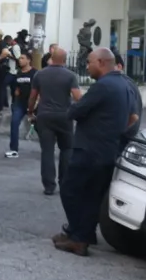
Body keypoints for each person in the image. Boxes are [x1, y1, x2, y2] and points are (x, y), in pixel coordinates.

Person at [53, 47, 137, 256]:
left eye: (89, 62)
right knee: (92, 196)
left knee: (70, 189)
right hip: (108, 149)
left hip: (90, 149)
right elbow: (131, 117)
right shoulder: (125, 85)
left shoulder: (104, 86)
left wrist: (77, 110)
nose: (86, 66)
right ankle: (82, 234)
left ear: (101, 62)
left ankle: (78, 236)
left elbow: (76, 110)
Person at [28, 46, 83, 196]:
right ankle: (64, 182)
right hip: (64, 116)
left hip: (45, 116)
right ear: (65, 60)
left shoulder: (40, 74)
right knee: (66, 149)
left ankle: (48, 185)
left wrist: (30, 111)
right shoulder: (70, 76)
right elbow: (78, 97)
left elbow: (33, 96)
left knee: (47, 151)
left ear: (51, 58)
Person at [4, 52, 37, 159]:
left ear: (29, 60)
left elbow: (39, 89)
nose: (20, 60)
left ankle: (53, 145)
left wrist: (36, 104)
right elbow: (17, 87)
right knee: (14, 123)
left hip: (34, 103)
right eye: (19, 58)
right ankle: (14, 149)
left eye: (22, 58)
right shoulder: (18, 73)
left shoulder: (35, 73)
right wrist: (16, 94)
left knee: (40, 127)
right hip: (20, 104)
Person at [115, 51, 142, 147]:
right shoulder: (128, 82)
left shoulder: (122, 84)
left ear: (119, 67)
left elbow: (133, 117)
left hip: (122, 140)